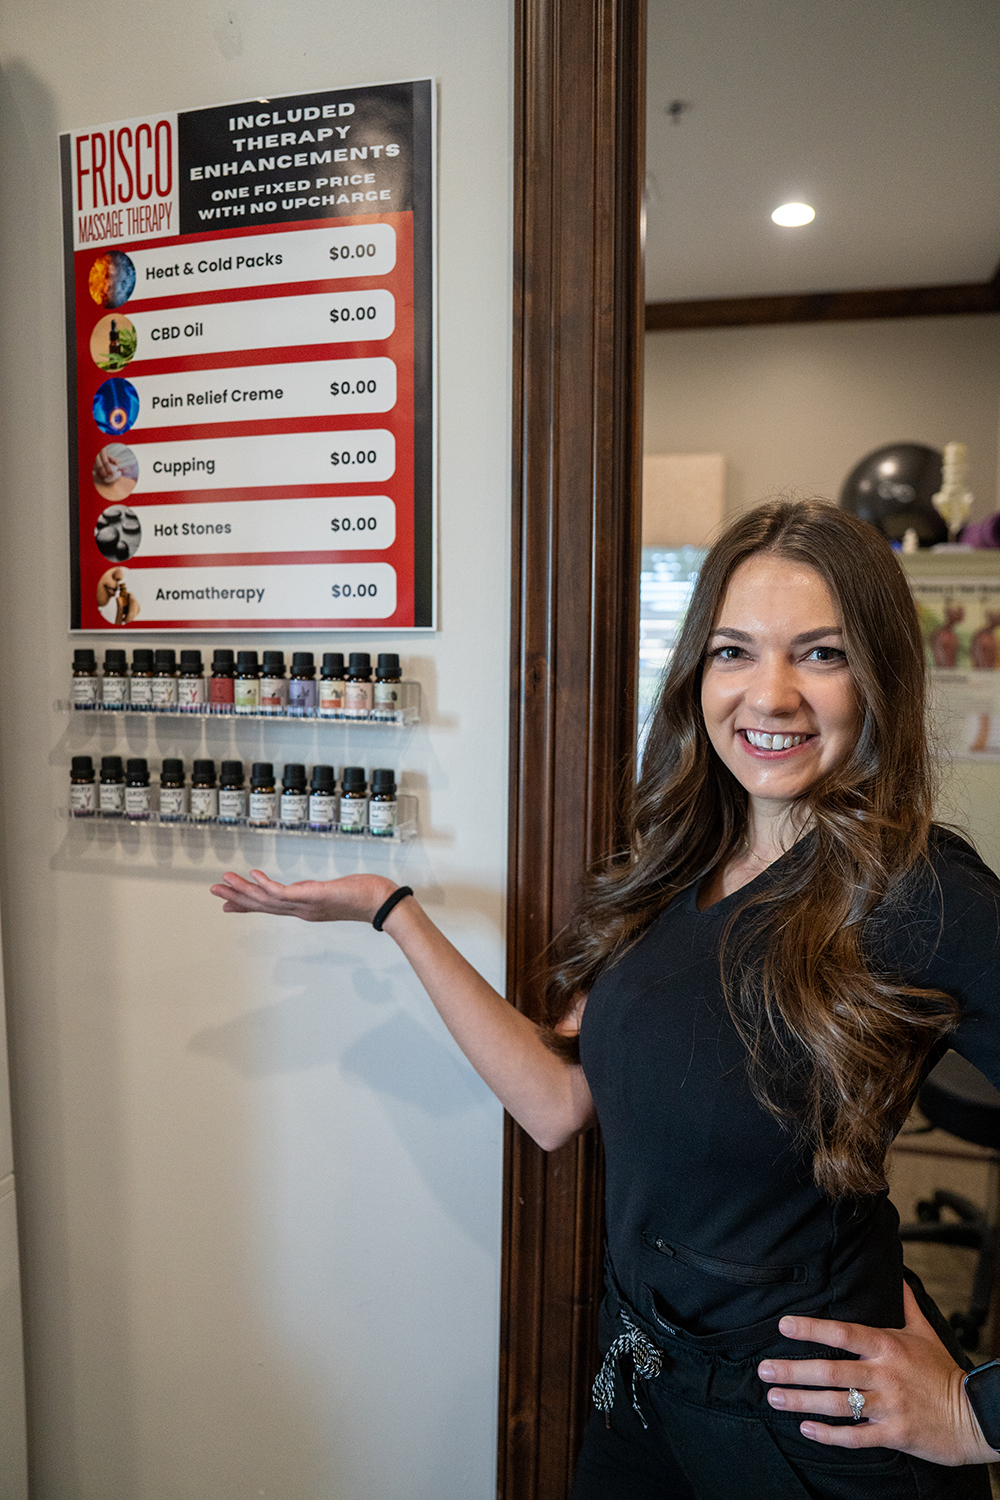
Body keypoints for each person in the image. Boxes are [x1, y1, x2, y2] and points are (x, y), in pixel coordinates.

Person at [210, 500, 1000, 1498]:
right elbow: (558, 1104)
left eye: (821, 654)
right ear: (696, 673)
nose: (771, 693)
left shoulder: (922, 895)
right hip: (639, 1388)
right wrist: (394, 915)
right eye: (733, 651)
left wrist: (977, 1414)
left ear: (879, 675)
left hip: (809, 1432)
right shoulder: (682, 863)